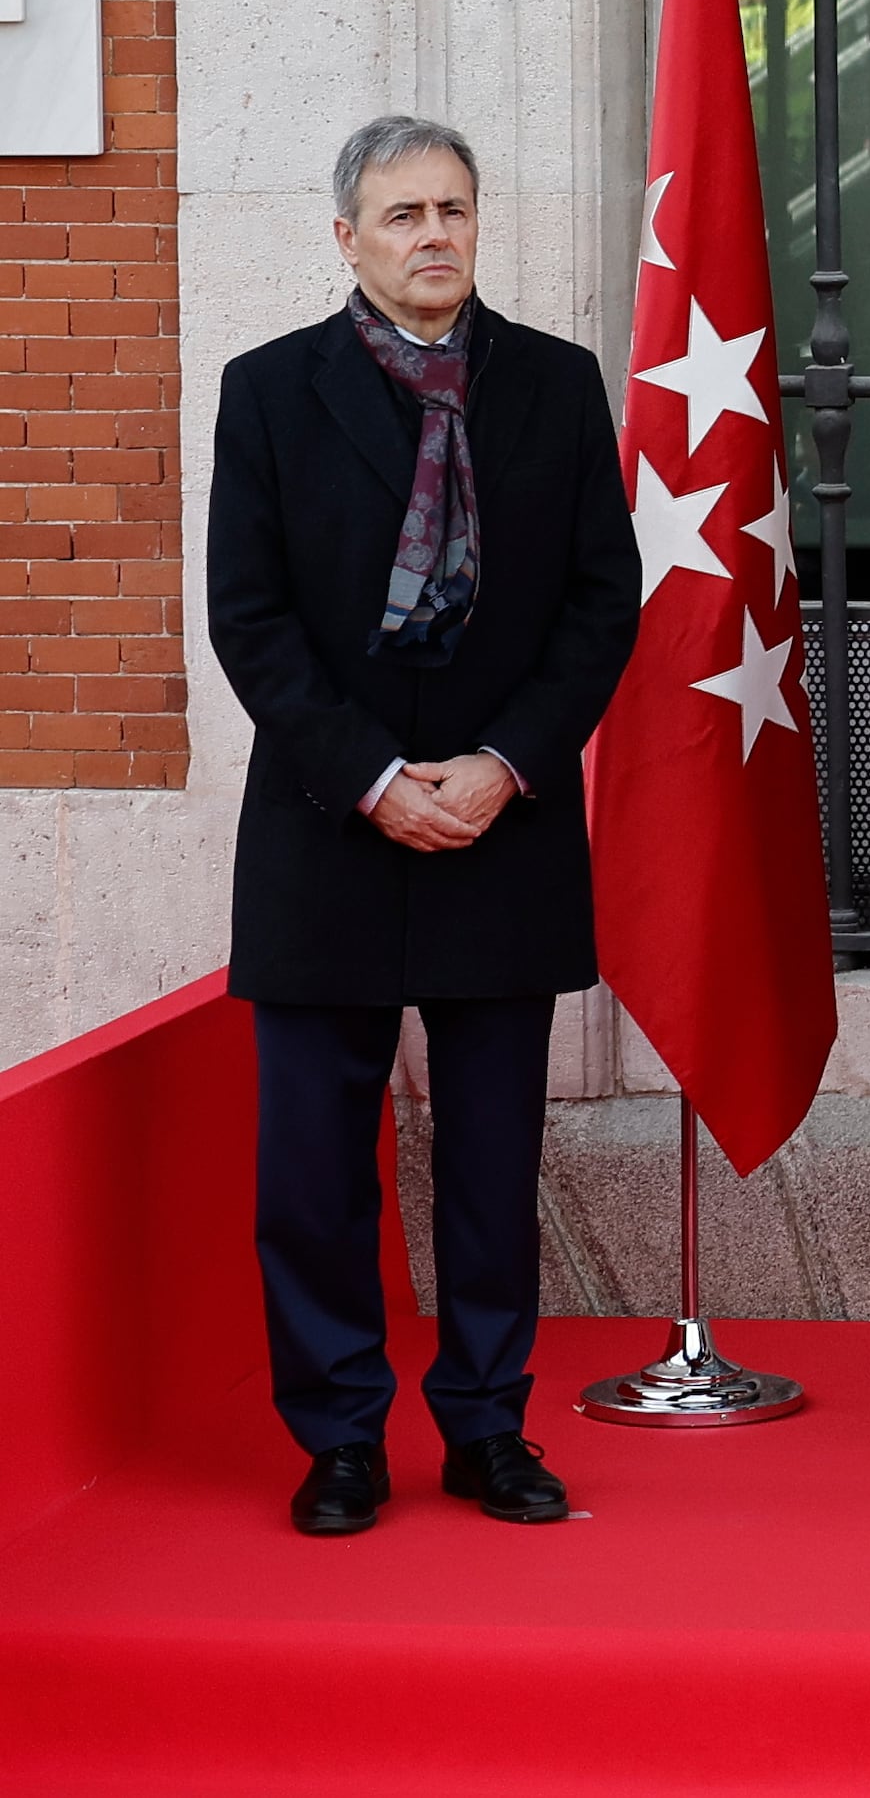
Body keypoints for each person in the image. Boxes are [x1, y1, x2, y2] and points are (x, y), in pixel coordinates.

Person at [207, 116, 641, 1538]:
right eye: (403, 216)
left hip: (500, 826)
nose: (435, 234)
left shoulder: (559, 387)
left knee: (491, 1166)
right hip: (330, 832)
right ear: (347, 238)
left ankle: (488, 1428)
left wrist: (505, 765)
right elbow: (251, 622)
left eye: (453, 208)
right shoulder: (268, 393)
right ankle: (338, 1438)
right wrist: (381, 778)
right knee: (315, 1174)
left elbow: (600, 603)